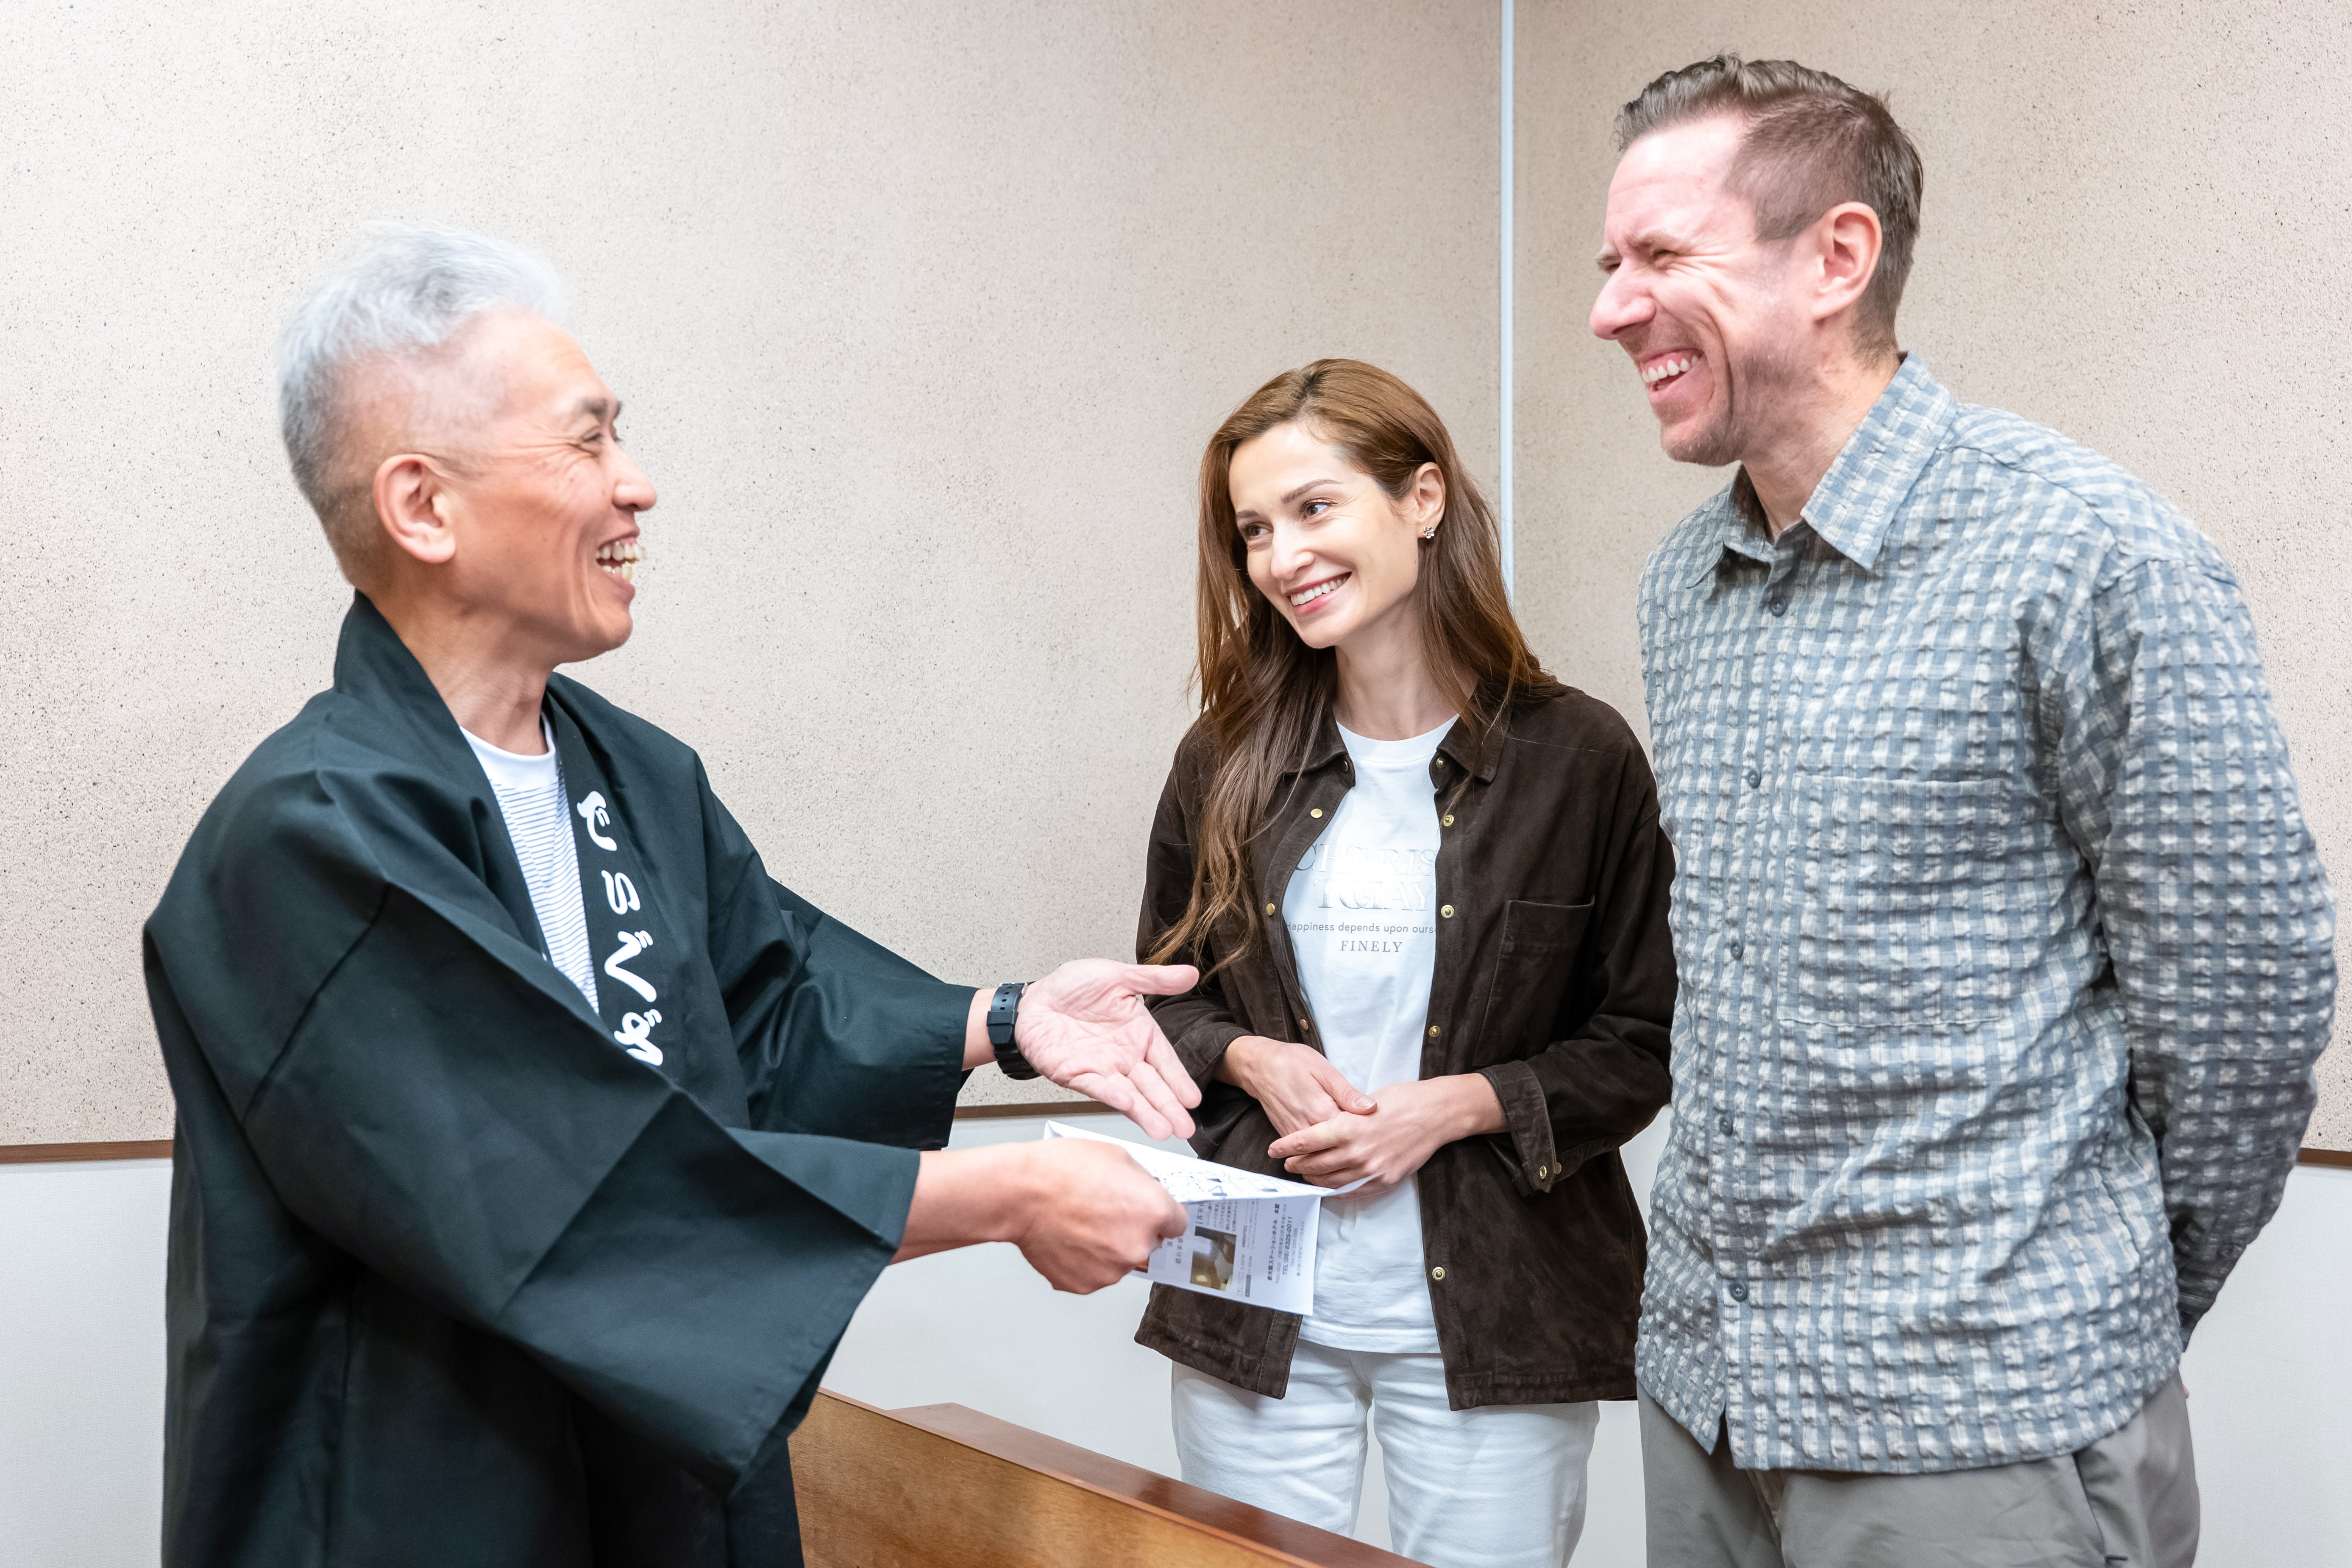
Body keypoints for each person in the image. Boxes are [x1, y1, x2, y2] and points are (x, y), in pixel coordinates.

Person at [143, 223, 1204, 1568]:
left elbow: (765, 1019)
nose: (637, 486)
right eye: (588, 443)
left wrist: (1002, 1020)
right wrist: (999, 1197)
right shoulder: (308, 833)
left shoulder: (633, 775)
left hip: (656, 1495)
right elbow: (573, 1185)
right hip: (419, 1499)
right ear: (423, 505)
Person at [1590, 56, 2336, 1567]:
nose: (1612, 307)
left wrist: (2085, 1286)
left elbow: (2246, 1009)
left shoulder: (2091, 556)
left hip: (1982, 1423)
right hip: (1710, 1404)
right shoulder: (1686, 586)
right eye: (1610, 264)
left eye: (1662, 257)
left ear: (1838, 257)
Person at [1131, 359, 1677, 1567]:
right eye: (1255, 529)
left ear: (1423, 499)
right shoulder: (1221, 759)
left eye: (1315, 508)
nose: (1282, 557)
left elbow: (1641, 1043)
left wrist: (1453, 1106)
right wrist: (1256, 1058)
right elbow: (1162, 1009)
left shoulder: (1580, 759)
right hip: (1253, 1291)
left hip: (1497, 1315)